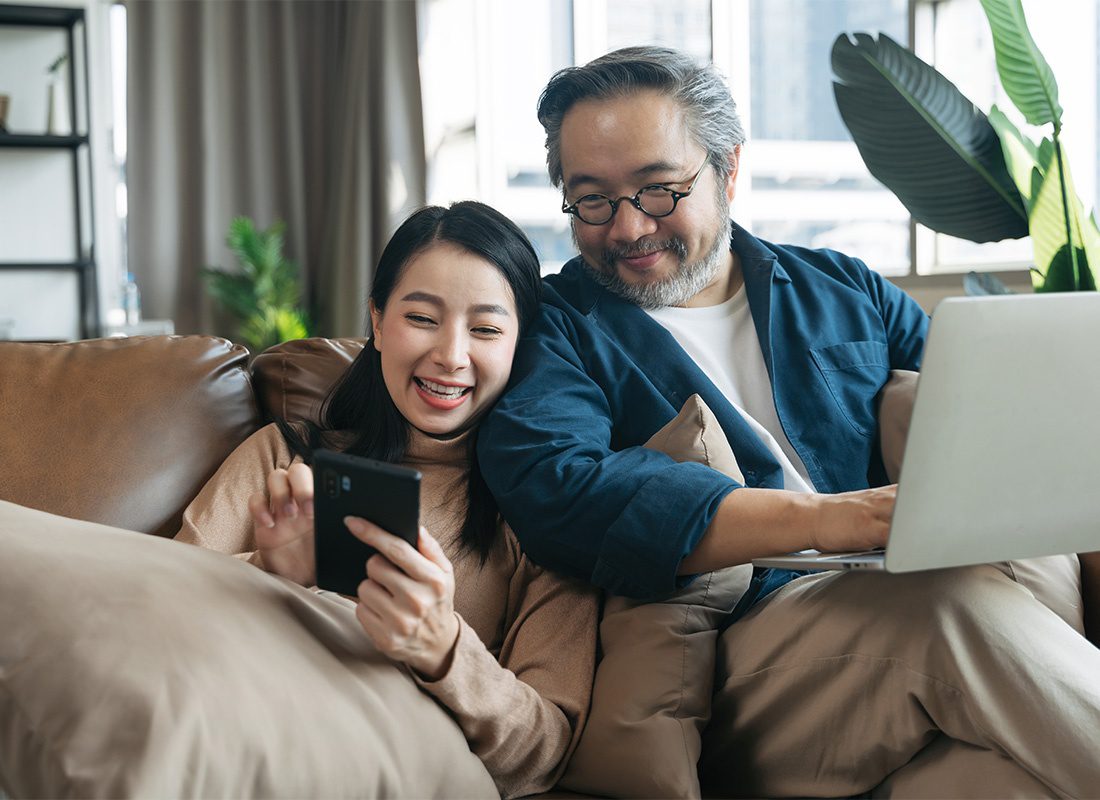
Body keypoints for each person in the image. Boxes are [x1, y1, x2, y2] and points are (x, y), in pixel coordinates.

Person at [477, 46, 1100, 796]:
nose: (628, 227)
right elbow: (561, 489)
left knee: (1001, 778)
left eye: (659, 190)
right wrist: (825, 519)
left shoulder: (840, 287)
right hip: (749, 661)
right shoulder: (554, 330)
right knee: (945, 608)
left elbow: (988, 416)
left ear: (728, 169)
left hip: (922, 644)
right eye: (592, 200)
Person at [175, 201, 598, 799]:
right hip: (240, 750)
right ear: (376, 322)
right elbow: (157, 611)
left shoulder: (546, 507)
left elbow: (541, 751)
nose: (451, 355)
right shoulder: (285, 459)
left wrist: (443, 648)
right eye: (422, 317)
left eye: (485, 328)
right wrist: (271, 576)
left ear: (519, 346)